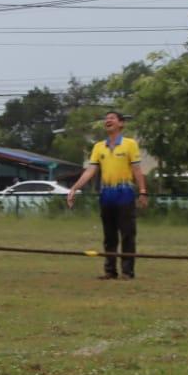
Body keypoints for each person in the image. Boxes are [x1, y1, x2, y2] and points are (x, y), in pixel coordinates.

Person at [66, 110, 149, 280]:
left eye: (112, 118)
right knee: (109, 236)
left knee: (127, 234)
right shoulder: (98, 147)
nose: (108, 120)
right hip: (106, 195)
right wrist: (74, 188)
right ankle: (110, 271)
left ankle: (127, 272)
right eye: (106, 118)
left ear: (121, 123)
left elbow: (137, 170)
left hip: (125, 194)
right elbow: (90, 171)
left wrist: (142, 191)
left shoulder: (130, 144)